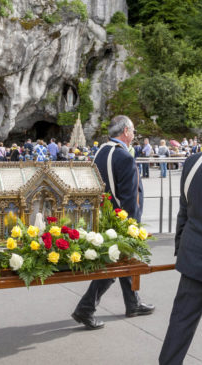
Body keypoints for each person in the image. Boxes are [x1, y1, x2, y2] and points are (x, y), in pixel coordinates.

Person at [71, 115, 154, 330]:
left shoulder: (100, 151)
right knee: (115, 264)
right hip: (121, 218)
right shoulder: (124, 157)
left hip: (104, 215)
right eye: (133, 130)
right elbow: (129, 197)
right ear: (126, 131)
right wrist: (133, 226)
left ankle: (133, 303)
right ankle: (86, 308)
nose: (134, 134)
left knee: (122, 261)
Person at [159, 148, 202, 364]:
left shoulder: (193, 162)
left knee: (181, 321)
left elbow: (184, 211)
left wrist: (180, 249)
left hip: (195, 253)